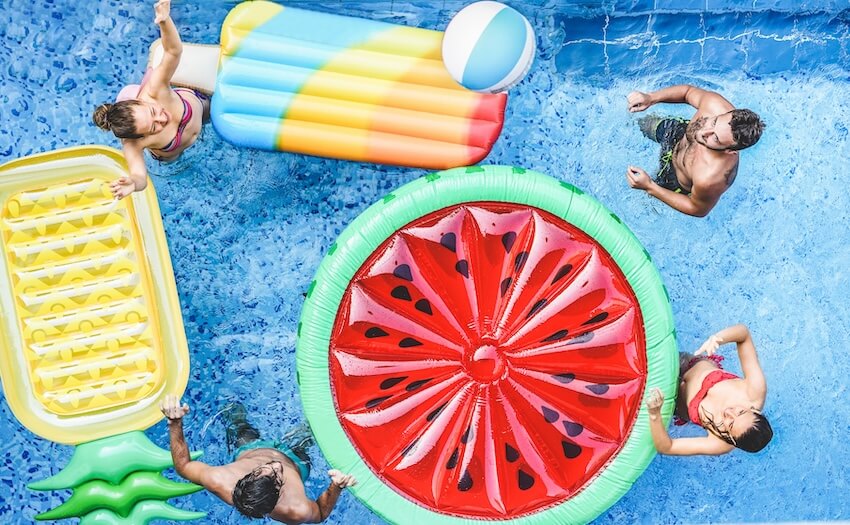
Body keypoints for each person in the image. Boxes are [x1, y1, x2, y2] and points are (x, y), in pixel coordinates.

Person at [160, 395, 357, 523]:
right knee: (312, 431)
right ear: (278, 495)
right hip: (296, 461)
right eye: (277, 476)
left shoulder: (220, 479)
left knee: (234, 416)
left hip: (251, 448)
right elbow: (321, 513)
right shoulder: (295, 510)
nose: (275, 465)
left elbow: (183, 466)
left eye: (262, 470)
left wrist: (174, 423)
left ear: (247, 477)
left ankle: (236, 416)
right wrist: (336, 486)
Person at [92, 0, 210, 200]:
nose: (162, 120)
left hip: (198, 107)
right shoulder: (132, 144)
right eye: (154, 128)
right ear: (139, 138)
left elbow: (173, 52)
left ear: (142, 100)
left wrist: (164, 21)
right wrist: (134, 183)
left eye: (154, 112)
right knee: (172, 162)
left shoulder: (155, 89)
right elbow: (140, 176)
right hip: (174, 150)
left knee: (210, 110)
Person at [625, 84, 765, 217]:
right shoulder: (714, 104)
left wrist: (650, 187)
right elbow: (687, 92)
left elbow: (697, 209)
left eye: (715, 138)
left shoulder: (711, 177)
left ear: (729, 151)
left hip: (674, 178)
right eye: (714, 122)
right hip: (677, 134)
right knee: (641, 122)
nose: (704, 131)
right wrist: (651, 98)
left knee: (643, 202)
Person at [646, 324, 772, 456]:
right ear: (754, 410)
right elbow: (743, 334)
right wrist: (718, 338)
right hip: (687, 364)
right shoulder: (754, 390)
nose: (729, 412)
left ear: (732, 439)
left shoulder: (719, 444)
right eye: (740, 411)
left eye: (729, 424)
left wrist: (655, 414)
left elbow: (667, 447)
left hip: (672, 401)